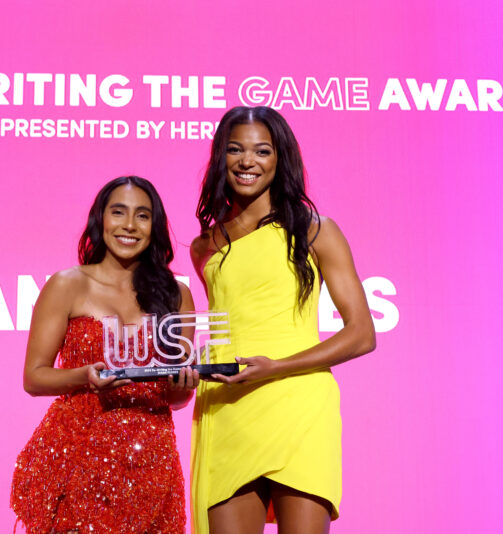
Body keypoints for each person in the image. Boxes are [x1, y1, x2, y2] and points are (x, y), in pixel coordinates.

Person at [189, 107, 376, 534]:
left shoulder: (315, 230)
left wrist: (276, 367)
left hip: (298, 403)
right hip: (229, 403)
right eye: (235, 149)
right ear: (220, 157)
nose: (247, 161)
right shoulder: (204, 246)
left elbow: (362, 334)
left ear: (280, 158)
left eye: (262, 150)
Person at [11, 176, 199, 534]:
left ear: (155, 226)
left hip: (151, 463)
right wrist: (83, 376)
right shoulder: (68, 284)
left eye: (142, 216)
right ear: (101, 219)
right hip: (77, 455)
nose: (129, 225)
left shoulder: (176, 295)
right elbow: (34, 377)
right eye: (118, 212)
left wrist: (183, 386)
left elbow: (176, 397)